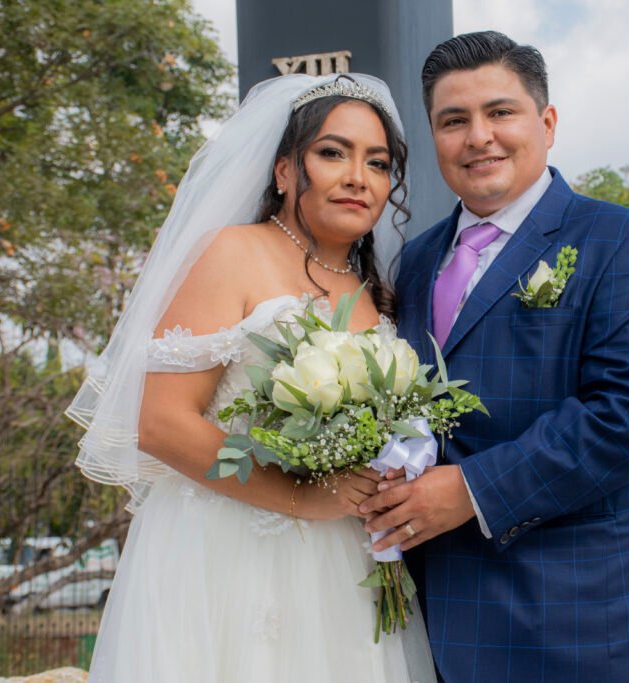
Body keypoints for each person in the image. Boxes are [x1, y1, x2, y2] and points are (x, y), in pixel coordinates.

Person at [360, 31, 629, 681]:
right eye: (453, 120)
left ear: (546, 123)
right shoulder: (412, 262)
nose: (478, 136)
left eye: (500, 112)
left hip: (585, 623)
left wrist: (471, 489)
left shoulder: (624, 242)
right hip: (436, 618)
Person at [67, 73, 435, 682]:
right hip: (229, 552)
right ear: (285, 170)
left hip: (345, 562)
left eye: (377, 162)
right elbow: (159, 424)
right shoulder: (230, 252)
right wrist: (302, 495)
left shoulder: (379, 292)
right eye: (332, 152)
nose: (357, 177)